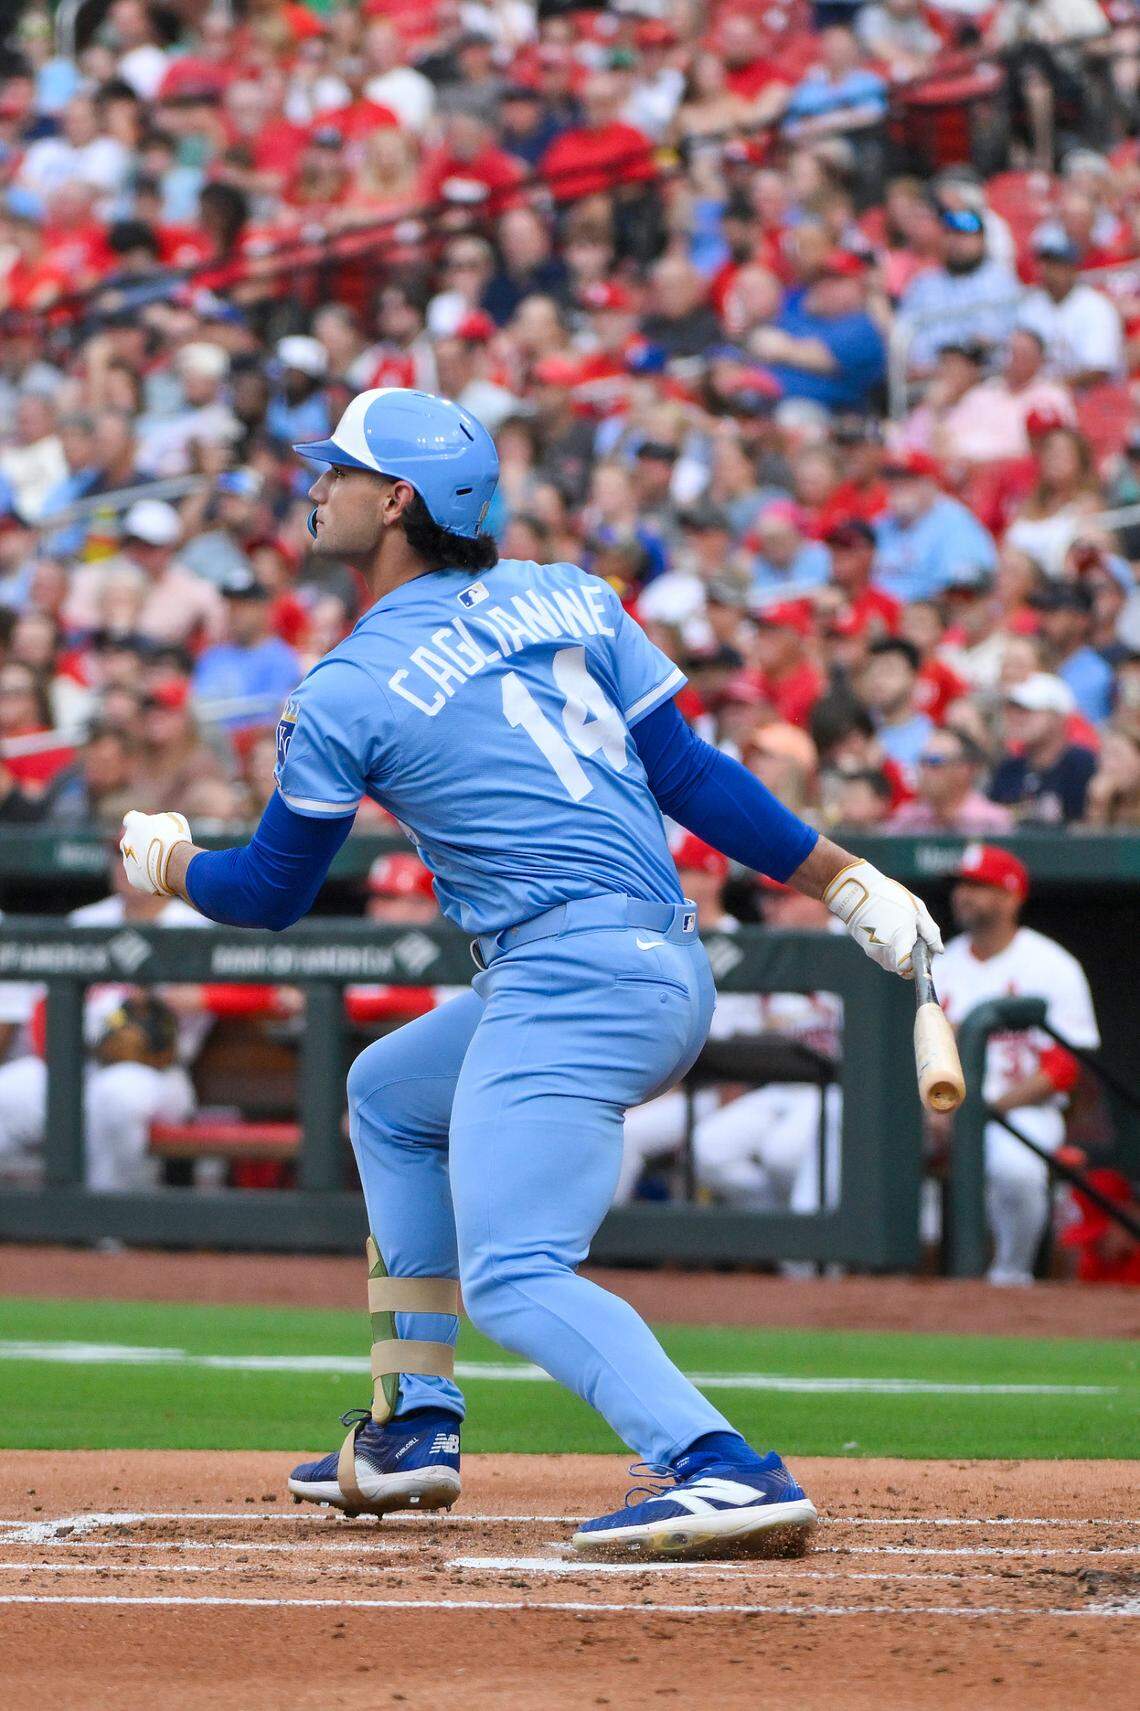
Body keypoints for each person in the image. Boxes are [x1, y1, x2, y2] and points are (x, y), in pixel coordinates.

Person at [118, 387, 941, 1559]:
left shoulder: (344, 684)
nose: (318, 487)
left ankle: (716, 1465)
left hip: (572, 979)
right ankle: (418, 1428)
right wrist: (848, 881)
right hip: (645, 959)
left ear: (396, 501)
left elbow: (268, 895)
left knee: (513, 1272)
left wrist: (169, 860)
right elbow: (692, 777)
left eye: (339, 471)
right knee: (391, 1095)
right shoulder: (567, 590)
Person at [936, 844, 1100, 1286]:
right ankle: (908, 1282)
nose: (964, 895)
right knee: (881, 1152)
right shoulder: (941, 963)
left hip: (1019, 1106)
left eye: (980, 886)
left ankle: (1011, 1277)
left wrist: (993, 1108)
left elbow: (1068, 1066)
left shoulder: (1051, 965)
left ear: (1012, 897)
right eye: (962, 886)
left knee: (1018, 1171)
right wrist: (935, 1110)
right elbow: (917, 1051)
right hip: (945, 1109)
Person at [0, 857, 208, 1190]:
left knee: (116, 1096)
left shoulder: (196, 927)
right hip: (77, 1063)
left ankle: (104, 1224)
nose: (125, 866)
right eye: (120, 856)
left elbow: (261, 988)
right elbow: (44, 1003)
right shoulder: (85, 920)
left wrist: (201, 997)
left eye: (138, 856)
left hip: (155, 1072)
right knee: (9, 1089)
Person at [1017, 234, 1125, 387]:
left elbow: (1099, 369)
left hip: (1087, 397)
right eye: (1047, 264)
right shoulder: (1030, 306)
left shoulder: (1097, 307)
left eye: (1058, 266)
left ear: (1074, 269)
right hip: (1038, 395)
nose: (1051, 272)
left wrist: (1052, 390)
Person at [989, 672, 1098, 823]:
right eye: (1012, 710)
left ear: (1058, 717)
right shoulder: (1009, 768)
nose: (1015, 717)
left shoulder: (1082, 764)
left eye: (1027, 710)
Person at [890, 729, 1015, 832]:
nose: (925, 771)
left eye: (935, 762)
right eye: (922, 761)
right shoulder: (908, 820)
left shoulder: (991, 822)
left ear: (965, 769)